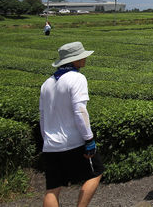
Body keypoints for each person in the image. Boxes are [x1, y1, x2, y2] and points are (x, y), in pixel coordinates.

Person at [39, 42, 104, 207]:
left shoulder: (47, 83)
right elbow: (80, 111)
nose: (84, 58)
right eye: (81, 56)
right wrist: (89, 139)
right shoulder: (77, 78)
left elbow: (43, 116)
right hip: (73, 141)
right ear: (74, 60)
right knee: (96, 173)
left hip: (50, 145)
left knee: (53, 188)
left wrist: (46, 140)